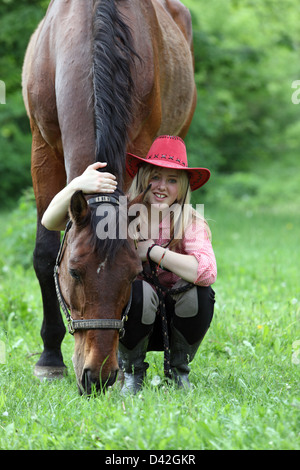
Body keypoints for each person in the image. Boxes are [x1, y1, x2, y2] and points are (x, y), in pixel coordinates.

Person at [42, 135, 217, 393]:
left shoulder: (190, 222)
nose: (161, 186)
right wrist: (77, 184)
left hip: (177, 320)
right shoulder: (122, 215)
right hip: (132, 320)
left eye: (172, 180)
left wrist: (154, 252)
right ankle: (133, 372)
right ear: (143, 177)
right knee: (139, 291)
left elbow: (206, 271)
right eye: (155, 177)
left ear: (182, 188)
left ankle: (179, 372)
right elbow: (52, 222)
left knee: (201, 294)